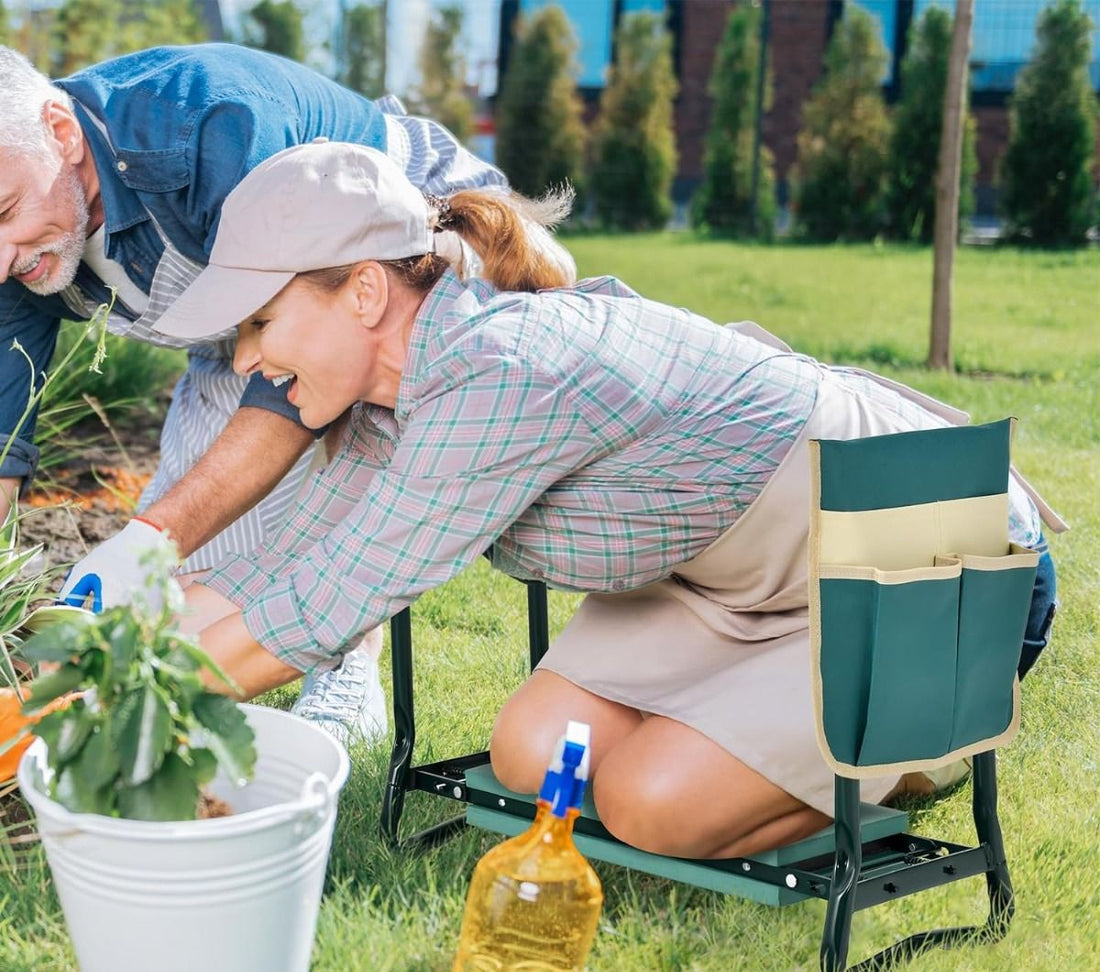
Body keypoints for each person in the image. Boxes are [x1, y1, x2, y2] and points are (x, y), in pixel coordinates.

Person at [157, 141, 1062, 859]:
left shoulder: (498, 372)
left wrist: (114, 708)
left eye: (260, 323)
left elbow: (324, 605)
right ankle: (772, 732)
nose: (244, 363)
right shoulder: (388, 403)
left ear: (361, 292)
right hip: (738, 586)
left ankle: (923, 751)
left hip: (927, 554)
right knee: (534, 753)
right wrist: (100, 651)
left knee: (646, 804)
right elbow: (266, 570)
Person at [0, 42, 572, 742]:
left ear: (61, 134)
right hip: (247, 328)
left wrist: (147, 540)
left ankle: (346, 668)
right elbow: (4, 439)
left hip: (402, 265)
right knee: (182, 590)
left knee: (339, 443)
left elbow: (312, 364)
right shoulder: (18, 242)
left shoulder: (204, 128)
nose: (1, 259)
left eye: (4, 212)